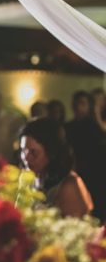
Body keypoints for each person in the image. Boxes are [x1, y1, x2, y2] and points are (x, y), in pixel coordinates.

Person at [19, 117, 93, 218]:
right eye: (23, 151)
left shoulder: (69, 186)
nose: (26, 158)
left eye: (33, 152)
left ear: (52, 152)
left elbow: (77, 231)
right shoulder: (28, 179)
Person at [64, 90, 106, 222]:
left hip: (95, 174)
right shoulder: (67, 127)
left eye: (82, 103)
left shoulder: (94, 126)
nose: (78, 107)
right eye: (76, 103)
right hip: (75, 171)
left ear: (88, 106)